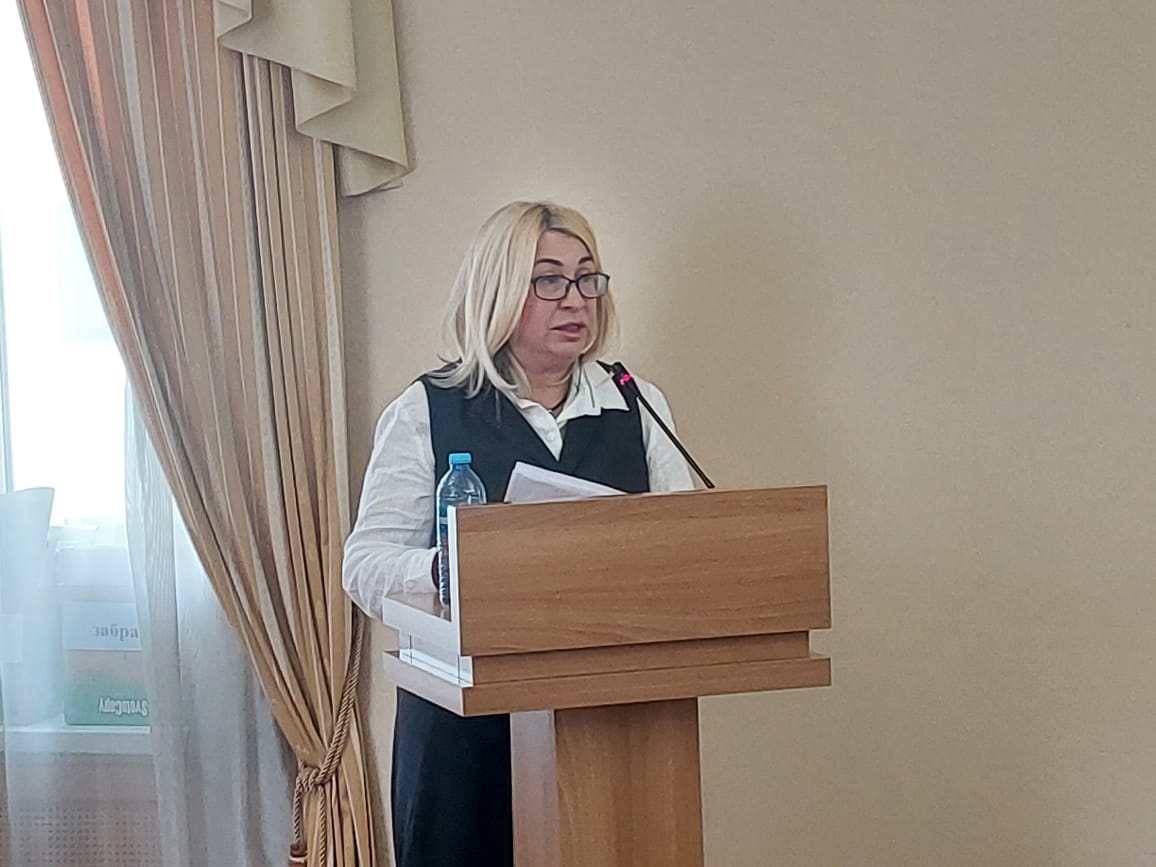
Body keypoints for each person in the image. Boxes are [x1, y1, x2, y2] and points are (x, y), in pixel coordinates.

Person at [342, 201, 695, 867]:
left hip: (614, 725)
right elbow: (363, 564)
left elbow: (685, 544)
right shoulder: (429, 408)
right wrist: (447, 570)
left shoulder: (636, 403)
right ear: (498, 289)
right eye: (549, 280)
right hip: (464, 733)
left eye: (587, 277)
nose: (576, 298)